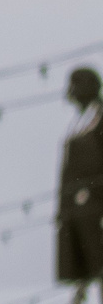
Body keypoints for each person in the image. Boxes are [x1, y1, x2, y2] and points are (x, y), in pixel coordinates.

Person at [61, 68, 103, 285]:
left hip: (95, 208)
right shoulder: (77, 123)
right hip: (78, 212)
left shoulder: (99, 119)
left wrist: (91, 191)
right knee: (90, 270)